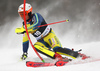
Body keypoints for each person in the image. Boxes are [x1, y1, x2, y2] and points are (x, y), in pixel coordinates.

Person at [15, 3, 80, 60]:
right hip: (41, 41)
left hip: (49, 36)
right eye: (20, 14)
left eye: (24, 14)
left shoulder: (37, 16)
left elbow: (37, 24)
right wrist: (25, 52)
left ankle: (78, 55)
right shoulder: (24, 25)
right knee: (36, 46)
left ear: (29, 12)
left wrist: (26, 29)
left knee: (57, 49)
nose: (22, 16)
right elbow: (25, 40)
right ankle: (58, 58)